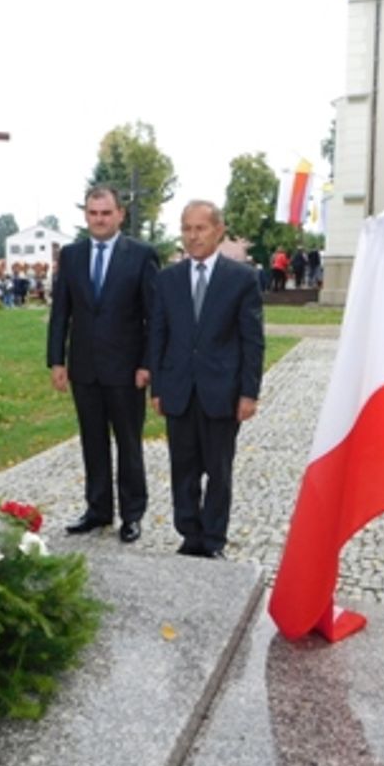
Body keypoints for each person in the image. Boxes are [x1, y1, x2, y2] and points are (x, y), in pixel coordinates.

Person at [149, 200, 264, 559]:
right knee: (182, 467)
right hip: (179, 390)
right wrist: (158, 388)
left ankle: (213, 539)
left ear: (218, 231)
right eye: (186, 228)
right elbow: (159, 335)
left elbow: (252, 340)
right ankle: (189, 535)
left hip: (222, 392)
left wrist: (248, 392)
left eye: (200, 228)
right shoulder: (168, 280)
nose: (193, 236)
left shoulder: (241, 279)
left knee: (218, 470)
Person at [47, 185, 160, 544]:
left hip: (127, 371)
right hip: (84, 368)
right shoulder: (72, 255)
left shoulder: (141, 256)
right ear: (86, 215)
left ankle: (132, 514)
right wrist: (56, 360)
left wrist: (148, 364)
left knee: (128, 443)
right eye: (93, 213)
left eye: (106, 213)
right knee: (92, 442)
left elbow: (154, 317)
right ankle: (97, 510)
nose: (99, 219)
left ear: (119, 215)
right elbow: (61, 312)